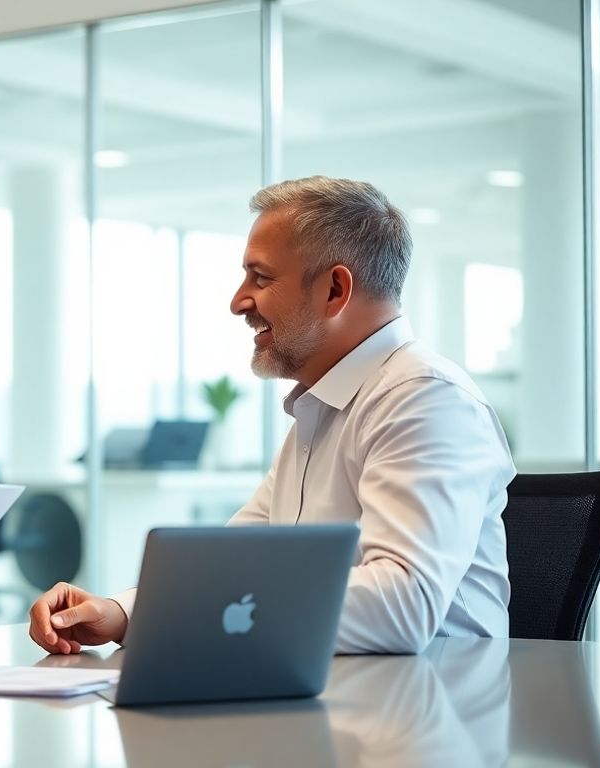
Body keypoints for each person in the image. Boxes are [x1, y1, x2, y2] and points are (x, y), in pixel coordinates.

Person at [29, 176, 515, 656]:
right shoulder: (322, 409)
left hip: (430, 694)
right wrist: (122, 613)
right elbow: (232, 564)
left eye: (260, 278)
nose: (238, 301)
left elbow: (402, 606)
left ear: (335, 290)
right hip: (322, 685)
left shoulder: (425, 399)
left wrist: (206, 608)